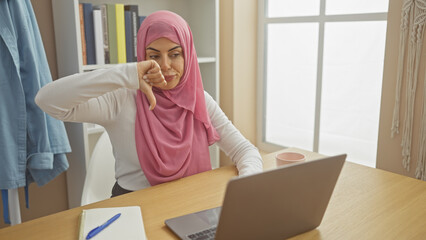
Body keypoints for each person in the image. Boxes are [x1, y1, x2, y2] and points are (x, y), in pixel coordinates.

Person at [35, 10, 262, 197]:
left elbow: (245, 151)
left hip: (191, 202)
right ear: (141, 58)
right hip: (134, 206)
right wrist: (125, 74)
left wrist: (245, 189)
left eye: (175, 54)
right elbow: (47, 101)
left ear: (188, 55)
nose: (165, 65)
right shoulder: (121, 98)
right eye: (154, 56)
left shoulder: (199, 100)